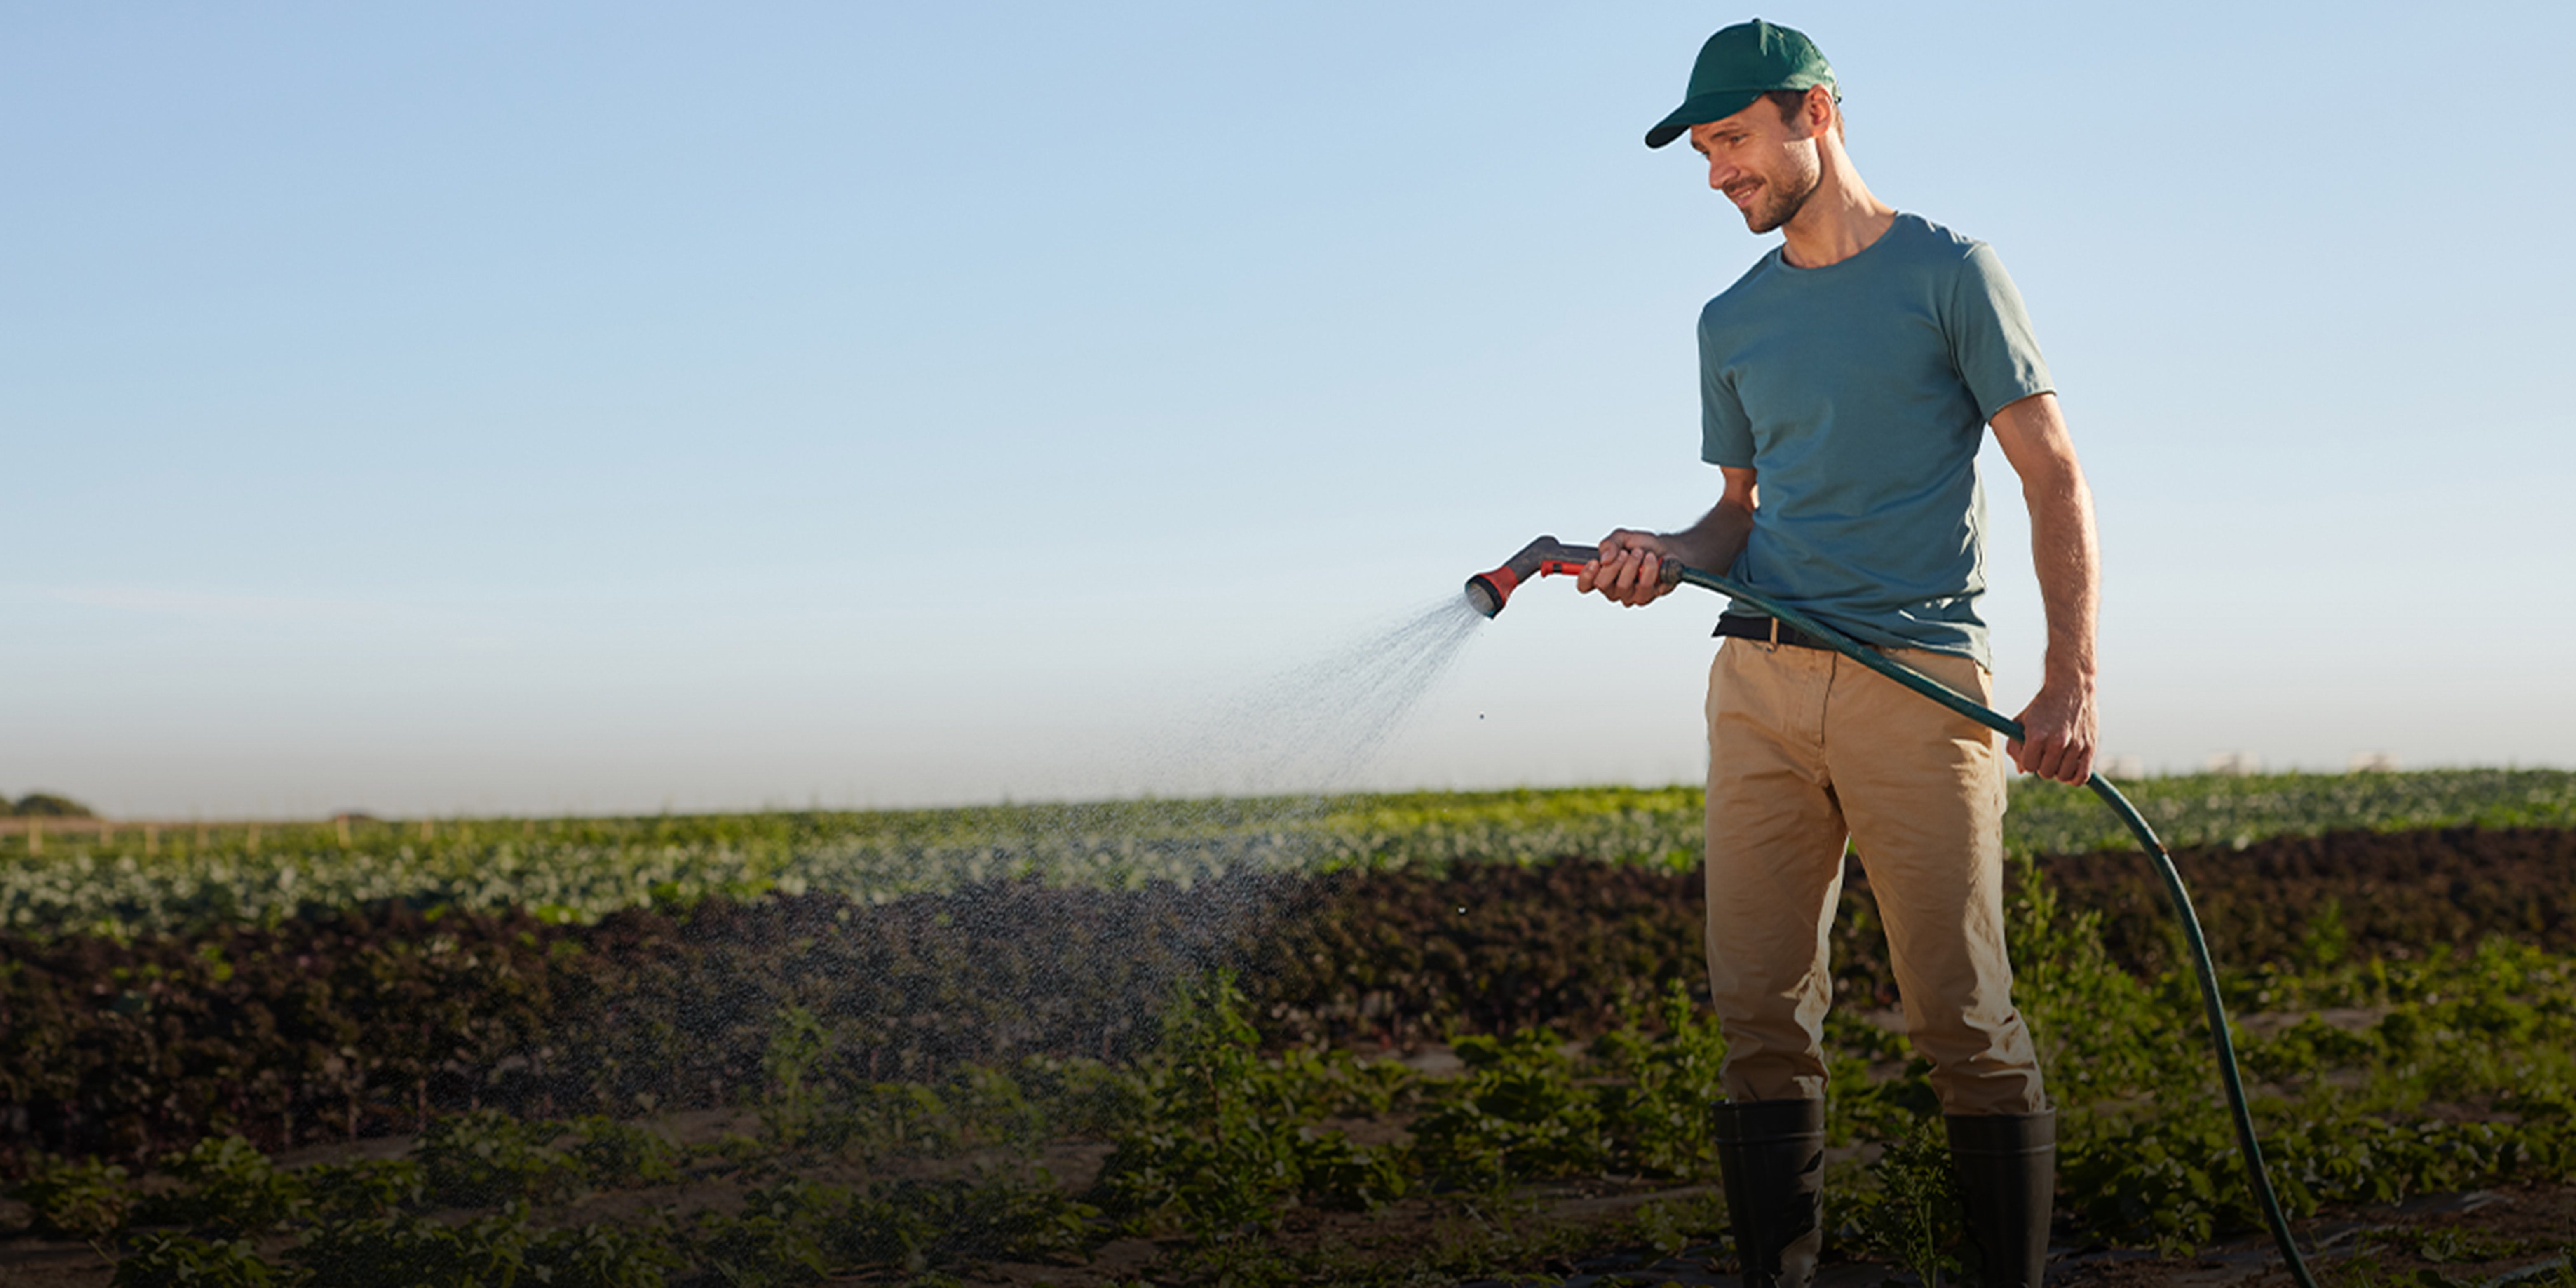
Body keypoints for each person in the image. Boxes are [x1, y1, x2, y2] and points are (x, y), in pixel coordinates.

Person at [1575, 19, 2099, 1288]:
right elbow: (1738, 519)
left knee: (1959, 1019)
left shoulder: (1948, 271)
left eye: (1734, 142)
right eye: (1703, 153)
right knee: (1755, 1015)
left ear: (1814, 114)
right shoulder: (1730, 320)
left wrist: (2068, 675)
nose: (1717, 176)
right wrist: (1661, 553)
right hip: (1755, 682)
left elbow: (2051, 474)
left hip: (1914, 685)